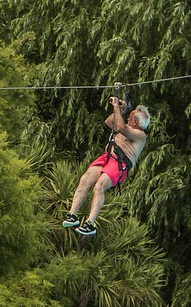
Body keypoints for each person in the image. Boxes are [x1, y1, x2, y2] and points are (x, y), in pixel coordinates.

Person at [62, 97, 150, 236]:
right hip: (107, 158)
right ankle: (72, 215)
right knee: (85, 179)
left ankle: (90, 223)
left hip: (119, 164)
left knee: (99, 186)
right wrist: (120, 109)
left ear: (135, 122)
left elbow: (120, 126)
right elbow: (110, 122)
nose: (127, 119)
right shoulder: (127, 128)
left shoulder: (140, 135)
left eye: (130, 116)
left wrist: (116, 106)